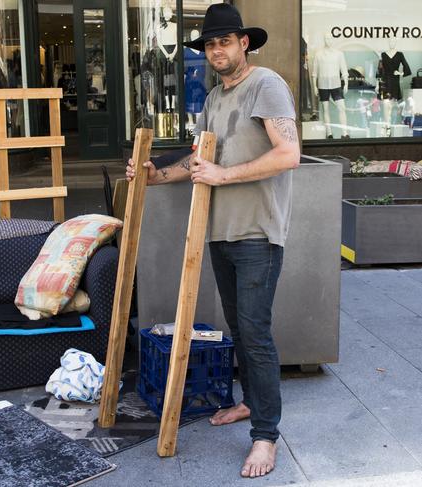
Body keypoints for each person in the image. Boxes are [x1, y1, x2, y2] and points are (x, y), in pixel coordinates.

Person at [126, 3, 299, 479]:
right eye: (209, 44)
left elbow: (289, 154)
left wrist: (224, 175)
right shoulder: (215, 98)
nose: (216, 50)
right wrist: (157, 176)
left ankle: (265, 435)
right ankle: (250, 404)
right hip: (221, 232)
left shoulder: (266, 85)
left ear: (245, 43)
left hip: (258, 233)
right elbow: (201, 158)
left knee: (256, 335)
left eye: (224, 41)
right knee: (242, 331)